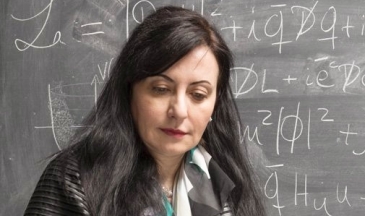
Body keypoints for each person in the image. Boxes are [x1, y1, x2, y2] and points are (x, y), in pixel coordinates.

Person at [24, 6, 266, 216]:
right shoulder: (77, 179)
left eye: (198, 95)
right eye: (161, 89)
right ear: (130, 92)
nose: (179, 111)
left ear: (215, 102)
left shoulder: (223, 179)